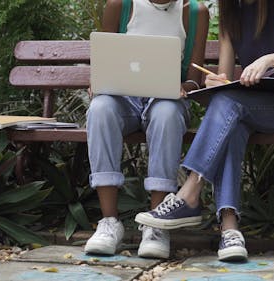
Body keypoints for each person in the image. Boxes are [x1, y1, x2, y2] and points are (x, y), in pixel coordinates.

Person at [135, 0, 274, 261]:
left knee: (230, 105)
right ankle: (230, 231)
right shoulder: (231, 15)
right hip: (248, 105)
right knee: (232, 120)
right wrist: (216, 81)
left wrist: (270, 59)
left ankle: (189, 193)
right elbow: (225, 80)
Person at [85, 0, 209, 259]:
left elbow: (195, 80)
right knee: (100, 109)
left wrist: (184, 87)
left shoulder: (195, 12)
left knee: (166, 114)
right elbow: (104, 62)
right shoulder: (120, 6)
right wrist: (98, 82)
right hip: (124, 100)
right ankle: (109, 222)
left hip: (166, 101)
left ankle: (156, 227)